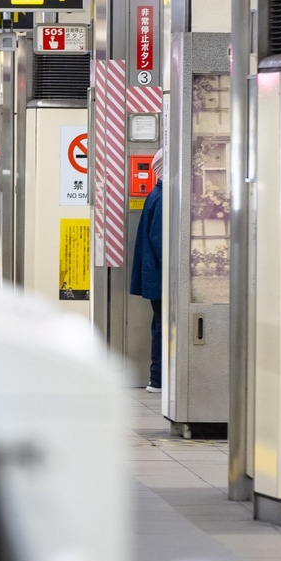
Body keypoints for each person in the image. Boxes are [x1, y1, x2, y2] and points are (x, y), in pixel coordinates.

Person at [130, 149, 165, 393]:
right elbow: (162, 241)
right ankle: (158, 378)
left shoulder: (156, 194)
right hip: (162, 276)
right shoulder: (163, 199)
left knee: (160, 323)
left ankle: (158, 378)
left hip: (156, 276)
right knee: (163, 325)